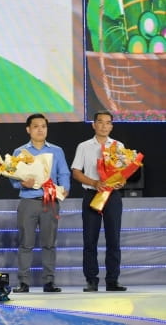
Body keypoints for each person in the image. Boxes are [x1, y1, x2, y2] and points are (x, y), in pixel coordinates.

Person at [11, 113, 71, 293]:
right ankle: (23, 282)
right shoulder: (20, 152)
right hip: (28, 201)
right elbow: (12, 177)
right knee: (26, 243)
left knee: (49, 243)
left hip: (50, 201)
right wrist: (22, 183)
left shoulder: (56, 151)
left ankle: (49, 282)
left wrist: (65, 188)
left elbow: (64, 173)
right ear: (28, 129)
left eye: (43, 126)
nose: (40, 130)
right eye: (36, 126)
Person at [71, 110, 128, 292]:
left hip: (112, 196)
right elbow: (76, 172)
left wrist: (121, 181)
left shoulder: (118, 146)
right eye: (100, 122)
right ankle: (91, 280)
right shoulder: (84, 146)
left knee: (114, 239)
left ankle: (112, 280)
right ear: (94, 125)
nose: (104, 126)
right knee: (90, 239)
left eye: (108, 122)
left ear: (112, 126)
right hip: (91, 194)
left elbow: (123, 173)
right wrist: (94, 183)